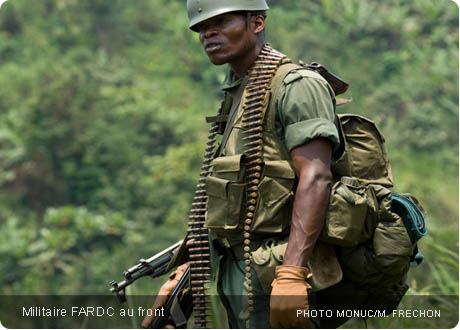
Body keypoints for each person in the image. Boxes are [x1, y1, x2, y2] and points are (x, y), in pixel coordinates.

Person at [143, 0, 361, 328]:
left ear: (257, 23)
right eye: (201, 28)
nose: (208, 33)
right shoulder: (240, 91)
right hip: (241, 268)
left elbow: (316, 177)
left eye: (220, 22)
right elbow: (231, 198)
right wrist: (186, 272)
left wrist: (291, 274)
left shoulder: (296, 85)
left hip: (279, 265)